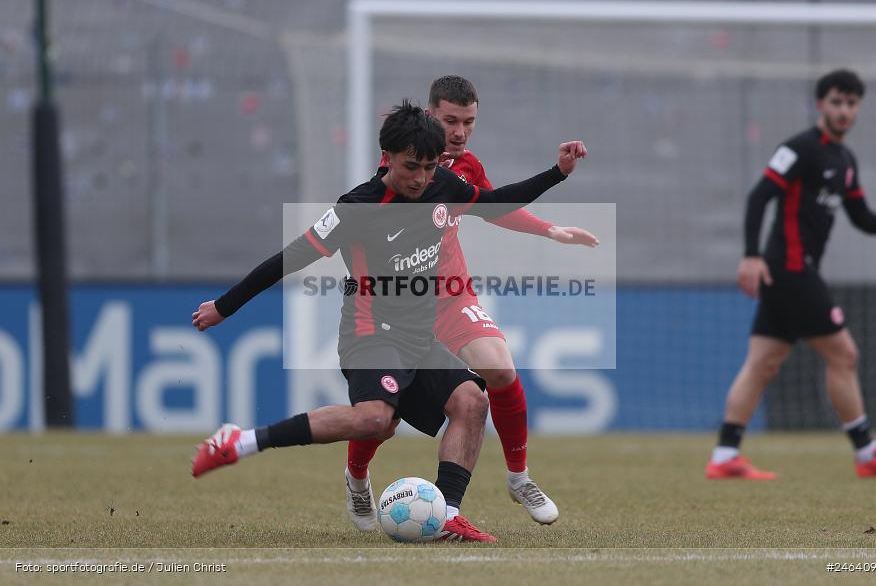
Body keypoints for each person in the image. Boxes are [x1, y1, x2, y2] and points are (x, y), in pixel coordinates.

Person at [191, 99, 587, 543]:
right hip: (369, 334)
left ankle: (445, 514)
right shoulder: (356, 207)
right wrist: (224, 307)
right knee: (376, 421)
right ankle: (240, 441)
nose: (420, 178)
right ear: (389, 158)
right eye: (411, 167)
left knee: (472, 401)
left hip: (420, 337)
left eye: (429, 167)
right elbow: (288, 259)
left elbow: (495, 203)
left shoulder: (443, 185)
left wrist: (557, 173)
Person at [345, 76, 598, 531]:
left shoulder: (467, 165)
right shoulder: (402, 166)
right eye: (450, 121)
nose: (459, 132)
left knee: (498, 367)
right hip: (402, 304)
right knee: (382, 418)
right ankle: (357, 477)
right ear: (428, 117)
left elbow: (494, 205)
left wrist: (549, 229)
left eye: (469, 122)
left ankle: (516, 478)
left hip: (452, 293)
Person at [705, 69, 876, 480]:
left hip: (792, 272)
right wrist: (751, 256)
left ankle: (724, 455)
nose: (844, 110)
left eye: (851, 103)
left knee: (762, 363)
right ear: (821, 104)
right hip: (790, 269)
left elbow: (861, 217)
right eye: (836, 102)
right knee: (843, 354)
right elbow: (761, 195)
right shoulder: (800, 148)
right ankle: (867, 454)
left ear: (857, 107)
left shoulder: (845, 161)